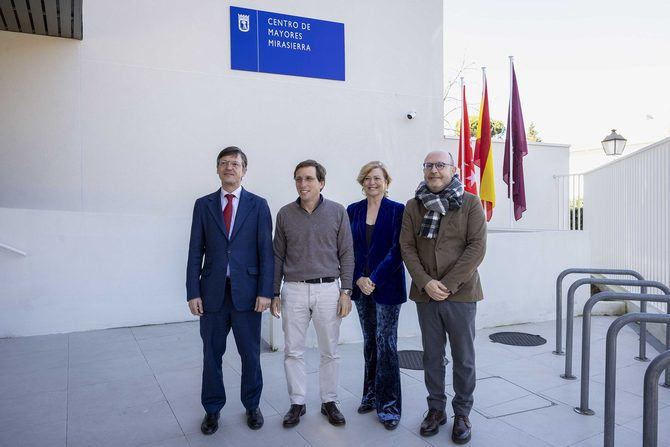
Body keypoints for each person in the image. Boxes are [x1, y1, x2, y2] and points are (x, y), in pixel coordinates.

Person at [399, 150, 486, 445]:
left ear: (453, 169)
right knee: (432, 357)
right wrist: (425, 282)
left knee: (463, 358)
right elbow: (407, 247)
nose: (433, 170)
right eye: (428, 166)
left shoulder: (471, 203)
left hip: (460, 294)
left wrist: (446, 284)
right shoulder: (414, 205)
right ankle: (436, 410)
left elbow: (476, 249)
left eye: (439, 165)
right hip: (426, 294)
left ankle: (462, 413)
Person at [186, 146, 274, 435]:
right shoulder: (203, 205)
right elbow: (194, 251)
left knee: (250, 354)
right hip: (212, 293)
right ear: (217, 169)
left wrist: (266, 292)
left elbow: (266, 252)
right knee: (212, 354)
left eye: (235, 164)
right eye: (223, 163)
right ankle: (212, 410)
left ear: (244, 170)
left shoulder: (258, 205)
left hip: (248, 294)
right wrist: (192, 291)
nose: (229, 167)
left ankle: (252, 404)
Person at [270, 159, 354, 428]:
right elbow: (277, 256)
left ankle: (329, 401)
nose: (302, 184)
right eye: (298, 179)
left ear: (321, 183)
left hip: (329, 289)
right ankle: (297, 403)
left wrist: (346, 291)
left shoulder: (338, 212)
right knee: (293, 351)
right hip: (293, 290)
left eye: (308, 179)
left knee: (329, 350)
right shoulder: (284, 214)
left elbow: (347, 253)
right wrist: (274, 292)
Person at [346, 161, 406, 430]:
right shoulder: (353, 210)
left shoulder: (397, 210)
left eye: (377, 178)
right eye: (368, 178)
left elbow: (398, 249)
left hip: (387, 286)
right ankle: (370, 395)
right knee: (370, 342)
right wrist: (359, 277)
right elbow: (348, 249)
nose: (372, 182)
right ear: (362, 182)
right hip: (361, 286)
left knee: (387, 345)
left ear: (386, 182)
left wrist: (374, 279)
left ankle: (389, 405)